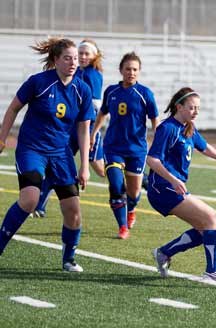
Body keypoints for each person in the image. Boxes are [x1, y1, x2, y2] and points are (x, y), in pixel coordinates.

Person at [0, 37, 94, 272]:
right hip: (32, 149)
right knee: (30, 199)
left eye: (75, 59)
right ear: (55, 60)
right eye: (67, 58)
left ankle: (69, 259)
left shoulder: (82, 89)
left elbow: (84, 128)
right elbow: (13, 108)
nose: (73, 63)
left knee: (73, 211)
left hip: (61, 155)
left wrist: (84, 166)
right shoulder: (39, 82)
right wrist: (2, 137)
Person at [147, 87, 216, 283]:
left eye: (198, 108)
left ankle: (164, 253)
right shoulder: (167, 128)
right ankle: (212, 271)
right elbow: (152, 159)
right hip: (163, 189)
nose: (196, 112)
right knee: (212, 217)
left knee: (204, 230)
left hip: (173, 187)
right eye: (192, 107)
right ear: (179, 106)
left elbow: (204, 146)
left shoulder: (188, 127)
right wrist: (173, 180)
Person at [32, 38, 105, 218]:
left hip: (86, 127)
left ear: (95, 56)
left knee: (101, 169)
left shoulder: (93, 74)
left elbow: (94, 105)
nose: (82, 56)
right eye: (80, 53)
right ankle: (40, 205)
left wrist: (93, 131)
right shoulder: (78, 71)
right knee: (59, 166)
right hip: (73, 129)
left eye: (86, 53)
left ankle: (137, 180)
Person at [92, 51, 159, 239]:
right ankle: (122, 227)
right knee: (115, 184)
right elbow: (103, 113)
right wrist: (93, 134)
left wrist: (158, 141)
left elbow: (155, 119)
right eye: (128, 69)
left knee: (134, 192)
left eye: (135, 69)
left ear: (139, 71)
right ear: (121, 70)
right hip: (113, 147)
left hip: (136, 150)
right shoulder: (111, 91)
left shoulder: (145, 93)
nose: (131, 72)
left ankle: (131, 210)